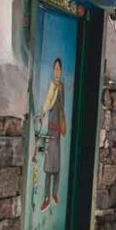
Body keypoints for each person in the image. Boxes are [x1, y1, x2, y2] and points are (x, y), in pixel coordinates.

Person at [38, 57, 66, 210]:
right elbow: (48, 101)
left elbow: (62, 108)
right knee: (48, 167)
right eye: (55, 68)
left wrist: (59, 92)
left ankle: (55, 193)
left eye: (58, 69)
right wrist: (42, 112)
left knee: (57, 167)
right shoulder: (52, 86)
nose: (56, 71)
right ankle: (46, 198)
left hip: (58, 133)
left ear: (61, 71)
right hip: (50, 130)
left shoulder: (61, 86)